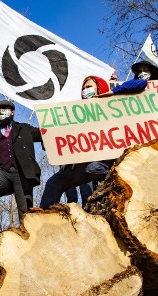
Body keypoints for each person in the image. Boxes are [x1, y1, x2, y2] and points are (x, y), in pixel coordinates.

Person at [39, 75, 118, 210]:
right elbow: (66, 139)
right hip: (81, 164)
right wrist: (65, 154)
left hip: (105, 162)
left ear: (99, 89)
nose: (85, 90)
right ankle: (43, 220)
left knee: (94, 169)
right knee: (53, 183)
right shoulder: (76, 114)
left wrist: (114, 86)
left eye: (88, 87)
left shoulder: (112, 107)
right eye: (83, 88)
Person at [0, 100, 43, 226]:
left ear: (12, 112)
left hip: (22, 172)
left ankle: (28, 237)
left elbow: (44, 134)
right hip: (0, 171)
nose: (1, 112)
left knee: (25, 208)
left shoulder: (25, 129)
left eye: (5, 109)